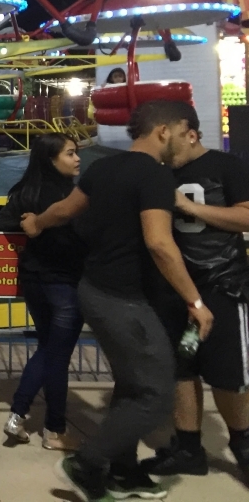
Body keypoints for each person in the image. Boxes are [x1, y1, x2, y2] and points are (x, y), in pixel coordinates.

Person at [21, 100, 214, 502]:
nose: (185, 140)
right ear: (165, 130)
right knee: (155, 393)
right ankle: (87, 464)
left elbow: (64, 210)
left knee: (131, 387)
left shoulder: (102, 168)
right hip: (125, 301)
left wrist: (36, 223)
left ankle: (125, 473)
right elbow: (160, 244)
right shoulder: (156, 177)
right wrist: (195, 302)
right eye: (182, 132)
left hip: (94, 290)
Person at [139, 114, 249, 479]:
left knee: (227, 373)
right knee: (182, 368)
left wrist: (190, 207)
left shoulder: (225, 165)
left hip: (221, 288)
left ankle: (242, 443)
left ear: (190, 134)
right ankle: (188, 447)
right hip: (174, 293)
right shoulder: (157, 172)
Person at [0, 134, 86, 451]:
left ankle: (54, 429)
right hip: (64, 285)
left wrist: (29, 225)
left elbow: (2, 221)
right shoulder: (72, 196)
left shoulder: (26, 191)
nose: (77, 159)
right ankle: (20, 414)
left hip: (33, 281)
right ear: (51, 159)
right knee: (53, 353)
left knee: (53, 352)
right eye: (71, 153)